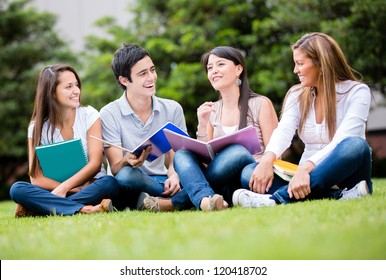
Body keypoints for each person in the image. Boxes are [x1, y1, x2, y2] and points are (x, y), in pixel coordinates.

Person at [233, 32, 373, 208]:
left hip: (343, 175)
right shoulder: (297, 94)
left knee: (356, 145)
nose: (295, 70)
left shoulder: (358, 92)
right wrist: (267, 160)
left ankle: (275, 200)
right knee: (250, 172)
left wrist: (305, 169)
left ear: (321, 64)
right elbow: (284, 131)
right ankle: (338, 196)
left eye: (300, 64)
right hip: (302, 176)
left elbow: (342, 140)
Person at [143, 46, 278, 211]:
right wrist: (202, 124)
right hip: (221, 183)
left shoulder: (260, 104)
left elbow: (276, 149)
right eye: (209, 68)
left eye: (220, 65)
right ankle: (206, 200)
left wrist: (262, 163)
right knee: (182, 154)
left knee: (237, 152)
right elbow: (205, 160)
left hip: (250, 175)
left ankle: (176, 203)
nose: (214, 71)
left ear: (238, 69)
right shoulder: (211, 110)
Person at [10, 64, 121, 217]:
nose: (76, 91)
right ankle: (85, 209)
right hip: (61, 190)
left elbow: (95, 164)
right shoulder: (37, 127)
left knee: (110, 183)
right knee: (17, 189)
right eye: (68, 87)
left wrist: (64, 190)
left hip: (91, 186)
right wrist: (67, 188)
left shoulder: (89, 115)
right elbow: (35, 177)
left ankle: (38, 208)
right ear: (52, 93)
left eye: (76, 85)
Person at [100, 43, 188, 210]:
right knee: (126, 175)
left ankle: (159, 201)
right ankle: (179, 198)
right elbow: (116, 168)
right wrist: (126, 161)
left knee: (191, 173)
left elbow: (178, 156)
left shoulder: (172, 109)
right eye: (143, 74)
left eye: (152, 70)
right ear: (124, 80)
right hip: (130, 182)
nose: (151, 77)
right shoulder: (109, 113)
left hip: (162, 179)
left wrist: (174, 174)